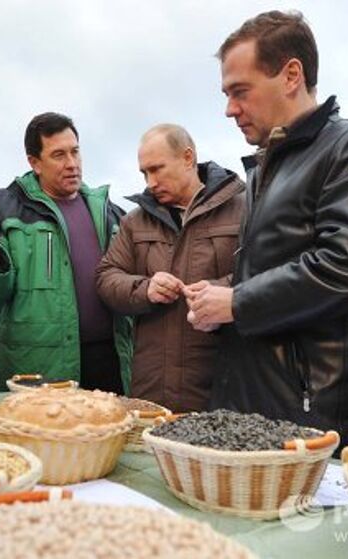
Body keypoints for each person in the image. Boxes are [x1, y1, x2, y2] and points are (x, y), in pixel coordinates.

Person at [185, 11, 348, 448]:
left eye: (240, 91)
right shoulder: (267, 165)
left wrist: (238, 302)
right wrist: (220, 295)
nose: (229, 109)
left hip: (312, 407)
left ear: (291, 75)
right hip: (253, 395)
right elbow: (276, 264)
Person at [0, 112, 131, 393]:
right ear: (34, 162)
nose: (72, 164)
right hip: (38, 369)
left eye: (75, 152)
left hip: (110, 362)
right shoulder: (0, 207)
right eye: (59, 155)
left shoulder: (109, 211)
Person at [96, 124, 245, 412]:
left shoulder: (244, 209)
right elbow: (106, 277)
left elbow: (264, 273)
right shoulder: (134, 221)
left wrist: (222, 292)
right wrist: (144, 288)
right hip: (152, 391)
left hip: (221, 387)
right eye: (144, 173)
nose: (150, 182)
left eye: (157, 169)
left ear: (188, 158)